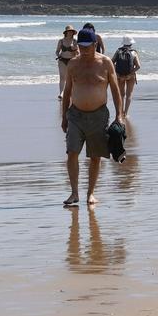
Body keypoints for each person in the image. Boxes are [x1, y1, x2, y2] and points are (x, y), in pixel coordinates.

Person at [60, 27, 123, 207]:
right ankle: (74, 193)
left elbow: (115, 90)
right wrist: (64, 117)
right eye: (81, 46)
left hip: (98, 115)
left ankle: (91, 193)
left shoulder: (105, 63)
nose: (84, 50)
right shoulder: (73, 64)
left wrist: (120, 115)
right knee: (72, 152)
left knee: (95, 156)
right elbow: (67, 93)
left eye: (88, 46)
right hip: (75, 115)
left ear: (96, 44)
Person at [112, 35, 142, 110]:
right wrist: (131, 73)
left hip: (120, 76)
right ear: (131, 43)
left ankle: (121, 112)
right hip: (130, 76)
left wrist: (117, 72)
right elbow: (138, 66)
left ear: (123, 43)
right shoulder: (134, 52)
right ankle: (125, 113)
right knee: (129, 95)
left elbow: (111, 62)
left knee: (121, 95)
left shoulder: (118, 51)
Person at [54, 26, 79, 95]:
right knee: (62, 77)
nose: (70, 33)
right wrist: (58, 55)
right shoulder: (61, 41)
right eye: (69, 31)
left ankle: (72, 93)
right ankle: (61, 93)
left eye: (72, 31)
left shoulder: (75, 41)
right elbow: (57, 51)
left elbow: (78, 53)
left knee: (72, 78)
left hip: (72, 61)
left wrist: (74, 49)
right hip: (62, 60)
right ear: (66, 32)